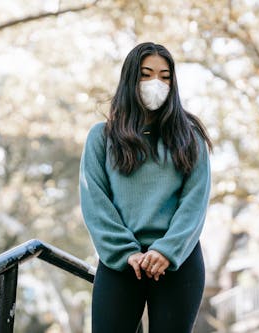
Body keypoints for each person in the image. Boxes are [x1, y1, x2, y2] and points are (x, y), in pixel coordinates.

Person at [79, 42, 212, 333]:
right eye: (146, 74)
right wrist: (126, 252)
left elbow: (195, 203)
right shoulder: (101, 137)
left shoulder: (191, 138)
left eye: (165, 77)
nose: (157, 83)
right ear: (130, 78)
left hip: (178, 262)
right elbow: (95, 202)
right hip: (121, 263)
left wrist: (167, 250)